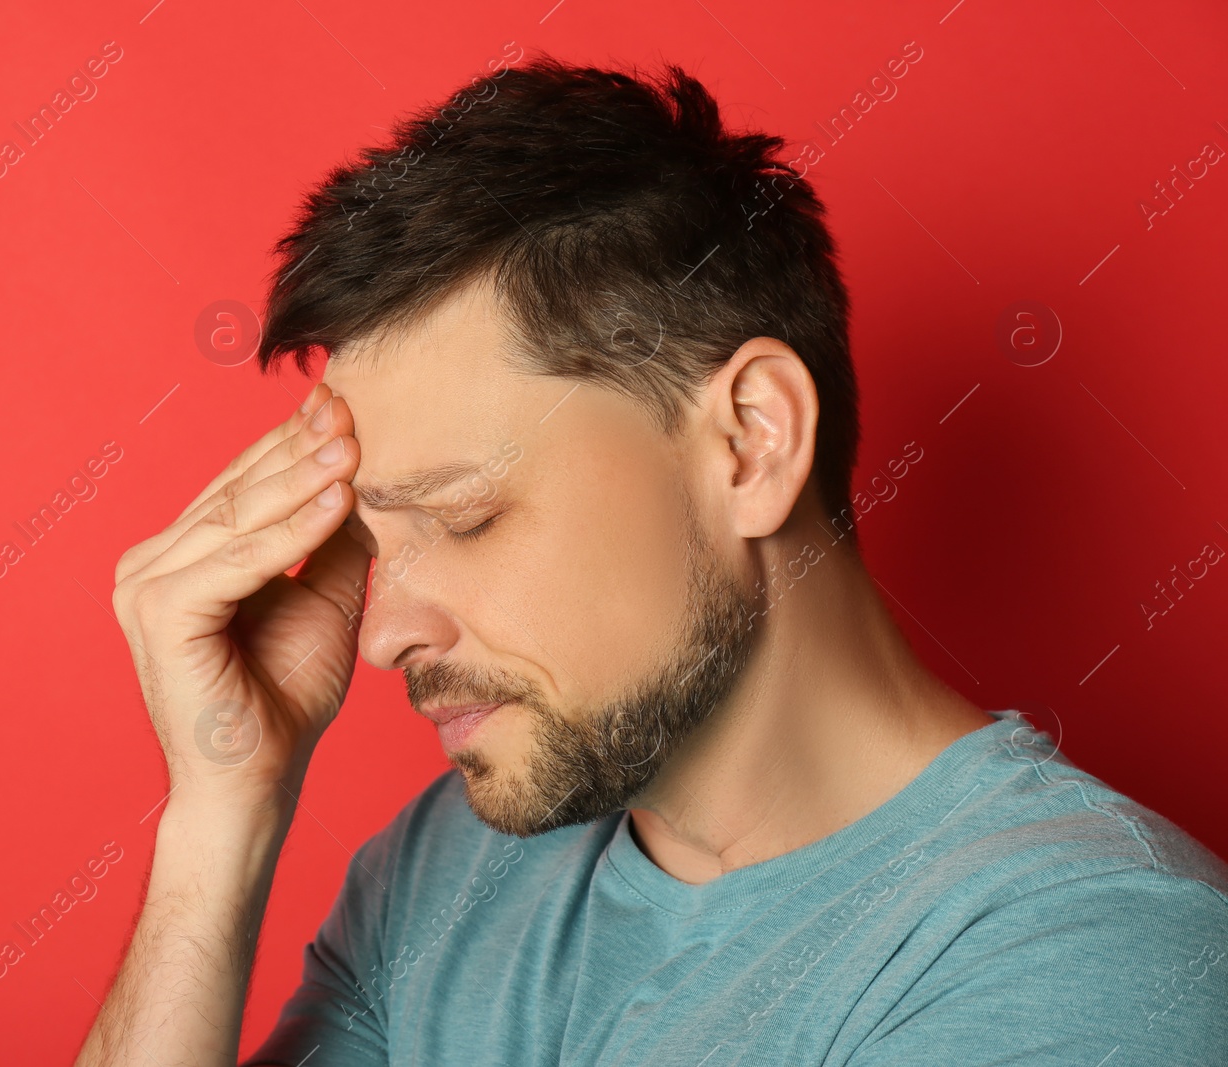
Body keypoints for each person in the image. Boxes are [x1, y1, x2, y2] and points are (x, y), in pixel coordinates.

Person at [76, 53, 1228, 1066]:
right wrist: (219, 815)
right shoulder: (441, 876)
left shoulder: (1096, 954)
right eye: (373, 544)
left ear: (748, 441)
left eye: (465, 516)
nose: (380, 634)